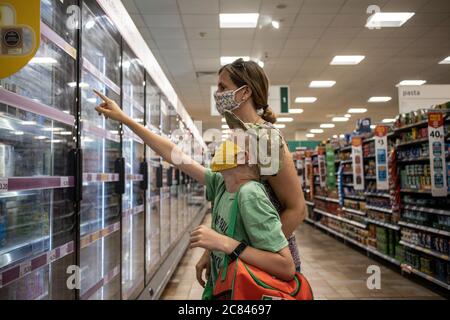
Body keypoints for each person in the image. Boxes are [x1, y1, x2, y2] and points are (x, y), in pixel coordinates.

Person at [93, 91, 295, 299]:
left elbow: (286, 266)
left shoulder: (250, 194)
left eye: (235, 139)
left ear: (246, 156)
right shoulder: (222, 184)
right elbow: (174, 154)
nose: (225, 141)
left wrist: (223, 244)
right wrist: (125, 119)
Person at [195, 58, 306, 287]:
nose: (217, 94)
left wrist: (252, 252)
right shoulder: (237, 135)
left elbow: (297, 209)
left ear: (245, 92)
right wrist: (213, 250)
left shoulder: (266, 139)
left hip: (267, 269)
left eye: (223, 87)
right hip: (241, 260)